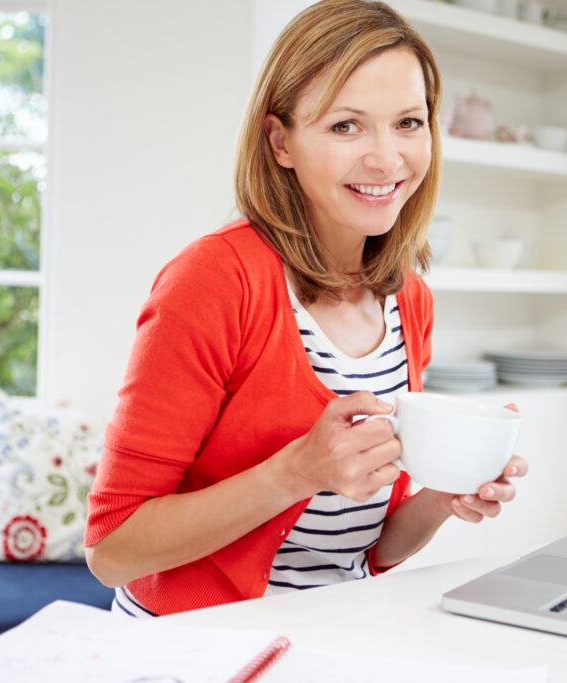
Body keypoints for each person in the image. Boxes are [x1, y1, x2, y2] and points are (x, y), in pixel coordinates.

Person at [84, 0, 527, 617]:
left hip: (337, 628)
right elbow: (112, 548)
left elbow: (364, 552)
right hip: (198, 642)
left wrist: (443, 496)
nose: (386, 157)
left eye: (408, 122)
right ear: (280, 140)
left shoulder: (408, 299)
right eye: (346, 126)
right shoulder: (214, 281)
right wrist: (293, 473)